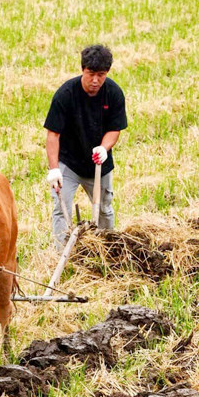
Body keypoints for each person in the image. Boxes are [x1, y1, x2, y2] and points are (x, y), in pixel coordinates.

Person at [44, 44, 127, 247]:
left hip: (99, 163)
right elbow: (53, 134)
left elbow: (115, 129)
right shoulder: (65, 94)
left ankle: (109, 250)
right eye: (91, 74)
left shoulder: (114, 93)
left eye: (101, 74)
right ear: (83, 70)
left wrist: (104, 148)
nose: (95, 80)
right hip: (69, 163)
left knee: (104, 210)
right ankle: (62, 255)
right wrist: (54, 169)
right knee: (61, 208)